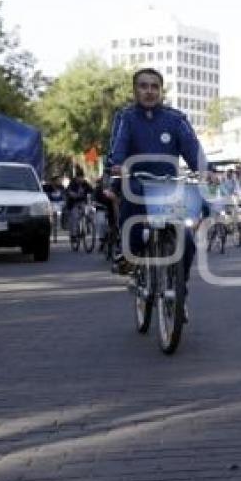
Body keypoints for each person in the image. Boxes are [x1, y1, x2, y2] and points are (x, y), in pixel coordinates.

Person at [110, 68, 207, 318]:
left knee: (185, 236)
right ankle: (128, 253)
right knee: (129, 196)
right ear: (135, 91)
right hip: (137, 182)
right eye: (143, 86)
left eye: (154, 86)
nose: (149, 91)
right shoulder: (126, 118)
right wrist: (117, 165)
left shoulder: (176, 119)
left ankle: (179, 287)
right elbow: (118, 147)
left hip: (168, 187)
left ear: (161, 90)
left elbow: (192, 149)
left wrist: (208, 171)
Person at [65, 167, 93, 240]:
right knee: (75, 216)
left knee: (90, 212)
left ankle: (87, 227)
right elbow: (68, 192)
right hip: (73, 203)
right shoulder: (72, 183)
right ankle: (73, 235)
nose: (80, 179)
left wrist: (91, 196)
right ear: (76, 178)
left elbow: (92, 191)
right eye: (79, 178)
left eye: (82, 178)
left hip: (83, 202)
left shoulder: (85, 183)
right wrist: (72, 194)